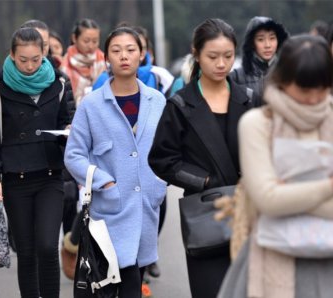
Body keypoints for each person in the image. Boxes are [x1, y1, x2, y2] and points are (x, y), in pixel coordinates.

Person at [148, 18, 262, 298]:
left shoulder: (248, 98)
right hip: (206, 213)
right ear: (196, 54)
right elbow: (162, 158)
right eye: (212, 56)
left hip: (250, 212)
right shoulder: (181, 105)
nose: (221, 64)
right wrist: (204, 180)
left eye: (228, 56)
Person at [218, 34, 333, 298]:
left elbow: (274, 198)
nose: (315, 99)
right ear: (282, 80)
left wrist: (288, 193)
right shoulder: (258, 123)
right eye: (305, 90)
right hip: (272, 255)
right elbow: (267, 200)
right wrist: (328, 186)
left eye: (323, 88)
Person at [64, 26, 167, 298]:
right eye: (116, 50)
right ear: (106, 56)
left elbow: (169, 150)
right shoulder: (92, 105)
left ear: (142, 55)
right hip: (108, 211)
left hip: (145, 209)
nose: (124, 56)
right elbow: (73, 155)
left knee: (135, 280)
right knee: (108, 286)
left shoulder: (157, 101)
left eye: (131, 50)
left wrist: (158, 183)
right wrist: (103, 181)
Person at [0, 27, 73, 298]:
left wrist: (68, 133)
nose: (30, 65)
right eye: (23, 60)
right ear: (11, 54)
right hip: (15, 177)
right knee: (27, 250)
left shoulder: (58, 82)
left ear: (44, 53)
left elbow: (64, 121)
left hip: (50, 174)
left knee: (47, 246)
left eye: (35, 58)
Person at [230, 16, 289, 104]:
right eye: (260, 39)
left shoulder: (288, 73)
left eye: (272, 38)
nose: (268, 45)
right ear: (252, 43)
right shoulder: (236, 77)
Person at [62, 18, 106, 105]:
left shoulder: (104, 61)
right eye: (86, 41)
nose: (90, 46)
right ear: (74, 38)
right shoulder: (65, 64)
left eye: (95, 41)